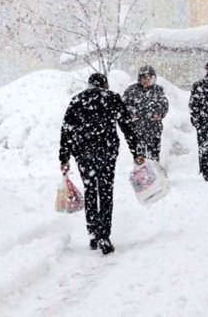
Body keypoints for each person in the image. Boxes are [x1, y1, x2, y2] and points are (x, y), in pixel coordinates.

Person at [59, 73, 144, 255]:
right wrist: (136, 151)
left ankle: (93, 234)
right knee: (105, 191)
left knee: (90, 190)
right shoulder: (111, 98)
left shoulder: (77, 100)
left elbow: (66, 130)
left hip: (83, 153)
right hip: (106, 152)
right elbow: (126, 126)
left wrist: (64, 158)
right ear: (104, 83)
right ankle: (104, 234)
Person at [122, 65, 169, 161]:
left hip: (154, 128)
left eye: (149, 77)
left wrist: (159, 113)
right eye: (144, 78)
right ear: (139, 78)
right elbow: (124, 106)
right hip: (137, 129)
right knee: (139, 155)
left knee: (154, 154)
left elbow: (164, 104)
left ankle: (154, 172)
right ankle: (141, 174)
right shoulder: (131, 90)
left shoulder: (158, 90)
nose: (146, 80)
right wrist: (133, 113)